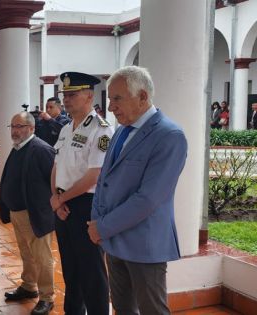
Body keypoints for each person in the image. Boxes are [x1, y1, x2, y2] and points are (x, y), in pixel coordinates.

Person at [88, 66, 188, 314]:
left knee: (151, 310)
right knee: (122, 308)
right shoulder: (121, 131)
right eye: (110, 99)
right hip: (113, 239)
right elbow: (104, 181)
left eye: (117, 98)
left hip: (144, 244)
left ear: (142, 96)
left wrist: (101, 227)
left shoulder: (169, 135)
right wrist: (96, 222)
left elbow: (148, 199)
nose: (110, 106)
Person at [49, 71, 114, 315]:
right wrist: (55, 197)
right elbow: (56, 165)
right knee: (71, 270)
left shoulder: (101, 130)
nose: (66, 99)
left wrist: (60, 200)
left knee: (92, 272)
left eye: (72, 94)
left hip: (85, 206)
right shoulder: (66, 129)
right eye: (64, 94)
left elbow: (93, 176)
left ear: (89, 95)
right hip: (63, 204)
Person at [0, 112, 56, 315]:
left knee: (42, 257)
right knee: (26, 253)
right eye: (13, 126)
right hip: (18, 212)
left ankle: (47, 297)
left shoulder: (41, 150)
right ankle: (29, 286)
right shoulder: (18, 148)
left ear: (31, 128)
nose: (15, 130)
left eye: (20, 126)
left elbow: (55, 181)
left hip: (35, 213)